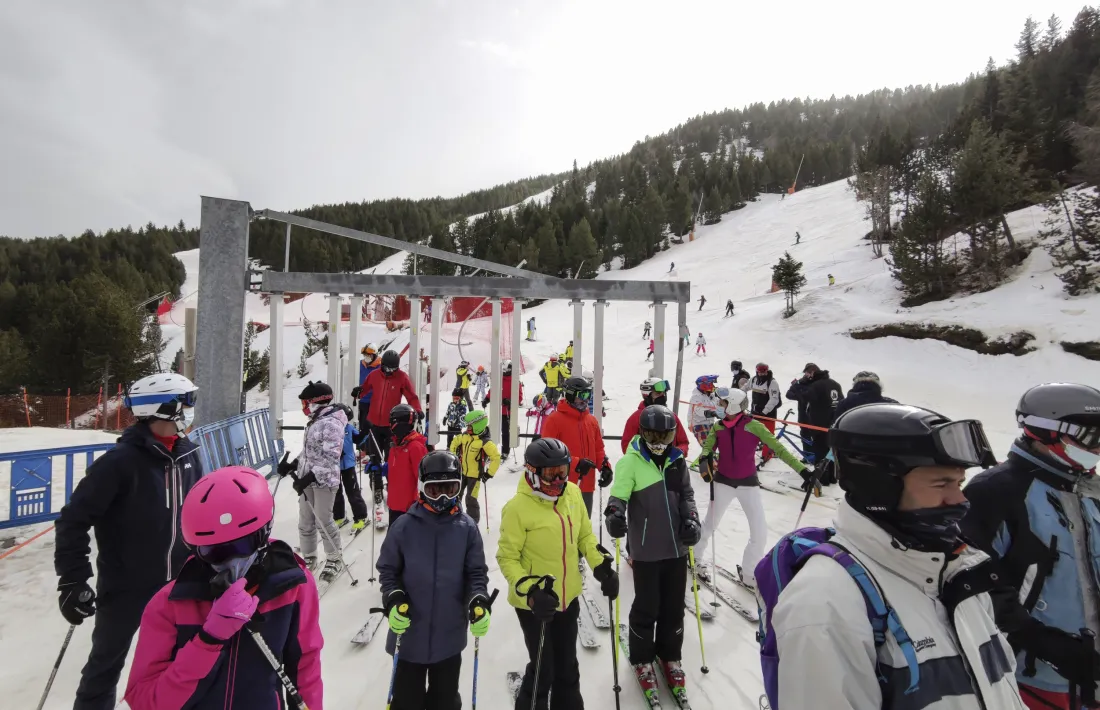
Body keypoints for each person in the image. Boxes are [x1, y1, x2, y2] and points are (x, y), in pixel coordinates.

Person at [762, 402, 1024, 709]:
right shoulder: (826, 603)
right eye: (941, 483)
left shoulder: (959, 570)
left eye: (959, 483)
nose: (960, 500)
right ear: (879, 488)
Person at [54, 373, 202, 710]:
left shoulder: (189, 456)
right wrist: (73, 578)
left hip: (182, 583)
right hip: (127, 586)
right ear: (163, 408)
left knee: (185, 664)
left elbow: (200, 514)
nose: (193, 409)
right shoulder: (119, 463)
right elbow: (73, 520)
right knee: (105, 667)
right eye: (187, 402)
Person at [124, 465, 323, 710]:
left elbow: (305, 667)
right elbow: (144, 701)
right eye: (213, 552)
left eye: (243, 545)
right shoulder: (169, 605)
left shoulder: (293, 587)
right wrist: (208, 641)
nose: (231, 562)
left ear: (263, 535)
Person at [961, 383, 1100, 710]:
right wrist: (1043, 643)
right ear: (1046, 432)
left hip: (1089, 668)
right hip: (1032, 675)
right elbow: (972, 585)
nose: (1097, 448)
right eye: (1091, 438)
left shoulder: (1087, 488)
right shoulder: (996, 492)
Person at [497, 438, 618, 710]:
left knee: (567, 665)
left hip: (568, 597)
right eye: (552, 474)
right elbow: (507, 558)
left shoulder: (572, 494)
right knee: (544, 667)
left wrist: (601, 566)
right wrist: (531, 592)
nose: (560, 479)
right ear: (532, 472)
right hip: (535, 605)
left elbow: (585, 535)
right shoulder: (517, 508)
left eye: (564, 471)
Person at [377, 450, 490, 710]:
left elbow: (476, 574)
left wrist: (477, 600)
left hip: (449, 638)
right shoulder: (404, 527)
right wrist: (394, 597)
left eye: (450, 489)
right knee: (407, 700)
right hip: (409, 638)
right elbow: (388, 570)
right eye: (434, 489)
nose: (442, 498)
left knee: (445, 700)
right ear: (421, 488)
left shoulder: (467, 529)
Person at [606, 405, 701, 703]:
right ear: (642, 434)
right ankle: (642, 659)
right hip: (646, 550)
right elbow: (617, 497)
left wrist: (692, 520)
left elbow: (687, 496)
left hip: (676, 547)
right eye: (653, 435)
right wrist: (614, 516)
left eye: (666, 435)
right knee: (648, 605)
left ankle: (670, 656)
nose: (660, 442)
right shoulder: (630, 463)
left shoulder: (677, 461)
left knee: (674, 607)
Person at [696, 388, 807, 586]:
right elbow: (707, 448)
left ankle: (749, 573)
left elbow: (778, 448)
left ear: (732, 405)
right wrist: (705, 458)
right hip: (723, 482)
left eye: (722, 404)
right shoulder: (718, 427)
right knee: (710, 524)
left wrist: (803, 471)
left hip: (748, 484)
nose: (719, 407)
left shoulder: (754, 426)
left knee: (759, 531)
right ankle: (695, 559)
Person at [284, 381, 346, 582]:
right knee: (305, 521)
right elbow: (311, 452)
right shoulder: (316, 421)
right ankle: (309, 557)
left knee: (323, 520)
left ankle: (334, 557)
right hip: (308, 479)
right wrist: (293, 464)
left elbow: (331, 457)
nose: (304, 407)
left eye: (306, 402)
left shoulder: (331, 423)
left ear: (316, 402)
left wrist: (309, 476)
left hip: (325, 481)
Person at [360, 350, 424, 510]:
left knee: (391, 461)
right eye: (387, 368)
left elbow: (411, 396)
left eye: (392, 369)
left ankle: (392, 487)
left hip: (391, 426)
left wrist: (417, 409)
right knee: (374, 458)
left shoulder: (402, 377)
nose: (389, 372)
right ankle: (377, 489)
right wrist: (358, 392)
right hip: (374, 423)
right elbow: (365, 388)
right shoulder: (375, 375)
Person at [541, 376, 609, 516]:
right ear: (570, 395)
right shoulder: (555, 420)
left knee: (583, 530)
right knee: (565, 529)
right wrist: (575, 464)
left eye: (588, 395)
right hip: (562, 486)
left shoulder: (591, 421)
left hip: (586, 486)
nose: (586, 399)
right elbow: (548, 454)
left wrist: (604, 465)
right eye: (582, 395)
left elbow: (598, 448)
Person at [449, 410, 501, 525]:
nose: (467, 428)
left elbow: (496, 458)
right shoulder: (465, 436)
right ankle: (454, 516)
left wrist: (489, 473)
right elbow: (454, 442)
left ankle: (472, 522)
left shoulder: (485, 442)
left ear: (478, 426)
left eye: (470, 426)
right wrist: (453, 457)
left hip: (475, 476)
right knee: (456, 495)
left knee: (470, 498)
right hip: (462, 473)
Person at [622, 377, 690, 457]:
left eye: (663, 393)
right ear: (647, 395)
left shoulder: (671, 416)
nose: (662, 396)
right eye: (658, 393)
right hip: (645, 465)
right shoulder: (636, 418)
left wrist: (678, 453)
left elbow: (683, 442)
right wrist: (643, 457)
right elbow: (627, 446)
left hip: (670, 464)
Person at [386, 403, 429, 527]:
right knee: (393, 542)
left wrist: (417, 504)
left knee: (404, 543)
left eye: (392, 422)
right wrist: (384, 468)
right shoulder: (395, 444)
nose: (390, 426)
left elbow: (422, 478)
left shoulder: (415, 447)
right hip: (394, 503)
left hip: (408, 508)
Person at [801, 362, 843, 473]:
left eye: (807, 374)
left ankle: (822, 477)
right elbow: (841, 402)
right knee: (831, 451)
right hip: (834, 423)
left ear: (812, 372)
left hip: (819, 425)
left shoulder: (816, 385)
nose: (807, 376)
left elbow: (806, 398)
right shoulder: (835, 384)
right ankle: (832, 475)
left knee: (820, 452)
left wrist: (800, 385)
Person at [332, 406, 369, 532]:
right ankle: (339, 516)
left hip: (348, 465)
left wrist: (365, 431)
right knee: (336, 493)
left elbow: (358, 439)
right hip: (334, 466)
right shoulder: (331, 429)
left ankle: (361, 517)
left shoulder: (348, 428)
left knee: (352, 492)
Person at [483, 359, 524, 458]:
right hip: (496, 410)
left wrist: (510, 401)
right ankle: (490, 450)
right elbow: (493, 390)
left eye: (506, 371)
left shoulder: (515, 381)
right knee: (492, 429)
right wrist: (487, 399)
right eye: (503, 371)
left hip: (507, 411)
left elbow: (519, 397)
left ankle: (505, 451)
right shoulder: (499, 379)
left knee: (505, 431)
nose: (505, 372)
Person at [749, 362, 783, 464]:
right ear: (757, 371)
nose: (762, 374)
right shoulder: (754, 380)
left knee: (768, 436)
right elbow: (745, 388)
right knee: (752, 434)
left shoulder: (772, 382)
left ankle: (767, 455)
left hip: (768, 414)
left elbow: (774, 399)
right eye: (760, 372)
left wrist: (764, 412)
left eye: (764, 372)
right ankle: (748, 453)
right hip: (755, 412)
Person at [786, 371, 815, 457]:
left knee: (817, 437)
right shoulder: (800, 382)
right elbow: (789, 394)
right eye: (808, 372)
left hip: (816, 416)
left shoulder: (819, 383)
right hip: (803, 415)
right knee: (805, 436)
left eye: (811, 372)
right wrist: (800, 397)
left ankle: (818, 456)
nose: (809, 374)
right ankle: (807, 456)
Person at [354, 342, 382, 433]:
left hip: (374, 402)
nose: (366, 357)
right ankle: (362, 445)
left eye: (369, 355)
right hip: (361, 401)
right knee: (361, 425)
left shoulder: (380, 367)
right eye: (365, 355)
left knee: (372, 427)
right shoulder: (360, 365)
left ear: (374, 355)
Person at [688, 375, 720, 445]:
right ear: (704, 385)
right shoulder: (696, 397)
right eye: (711, 384)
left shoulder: (712, 395)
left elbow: (718, 405)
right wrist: (712, 413)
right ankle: (708, 455)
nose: (713, 386)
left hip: (710, 423)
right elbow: (699, 410)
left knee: (717, 443)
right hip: (698, 424)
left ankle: (710, 455)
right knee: (707, 445)